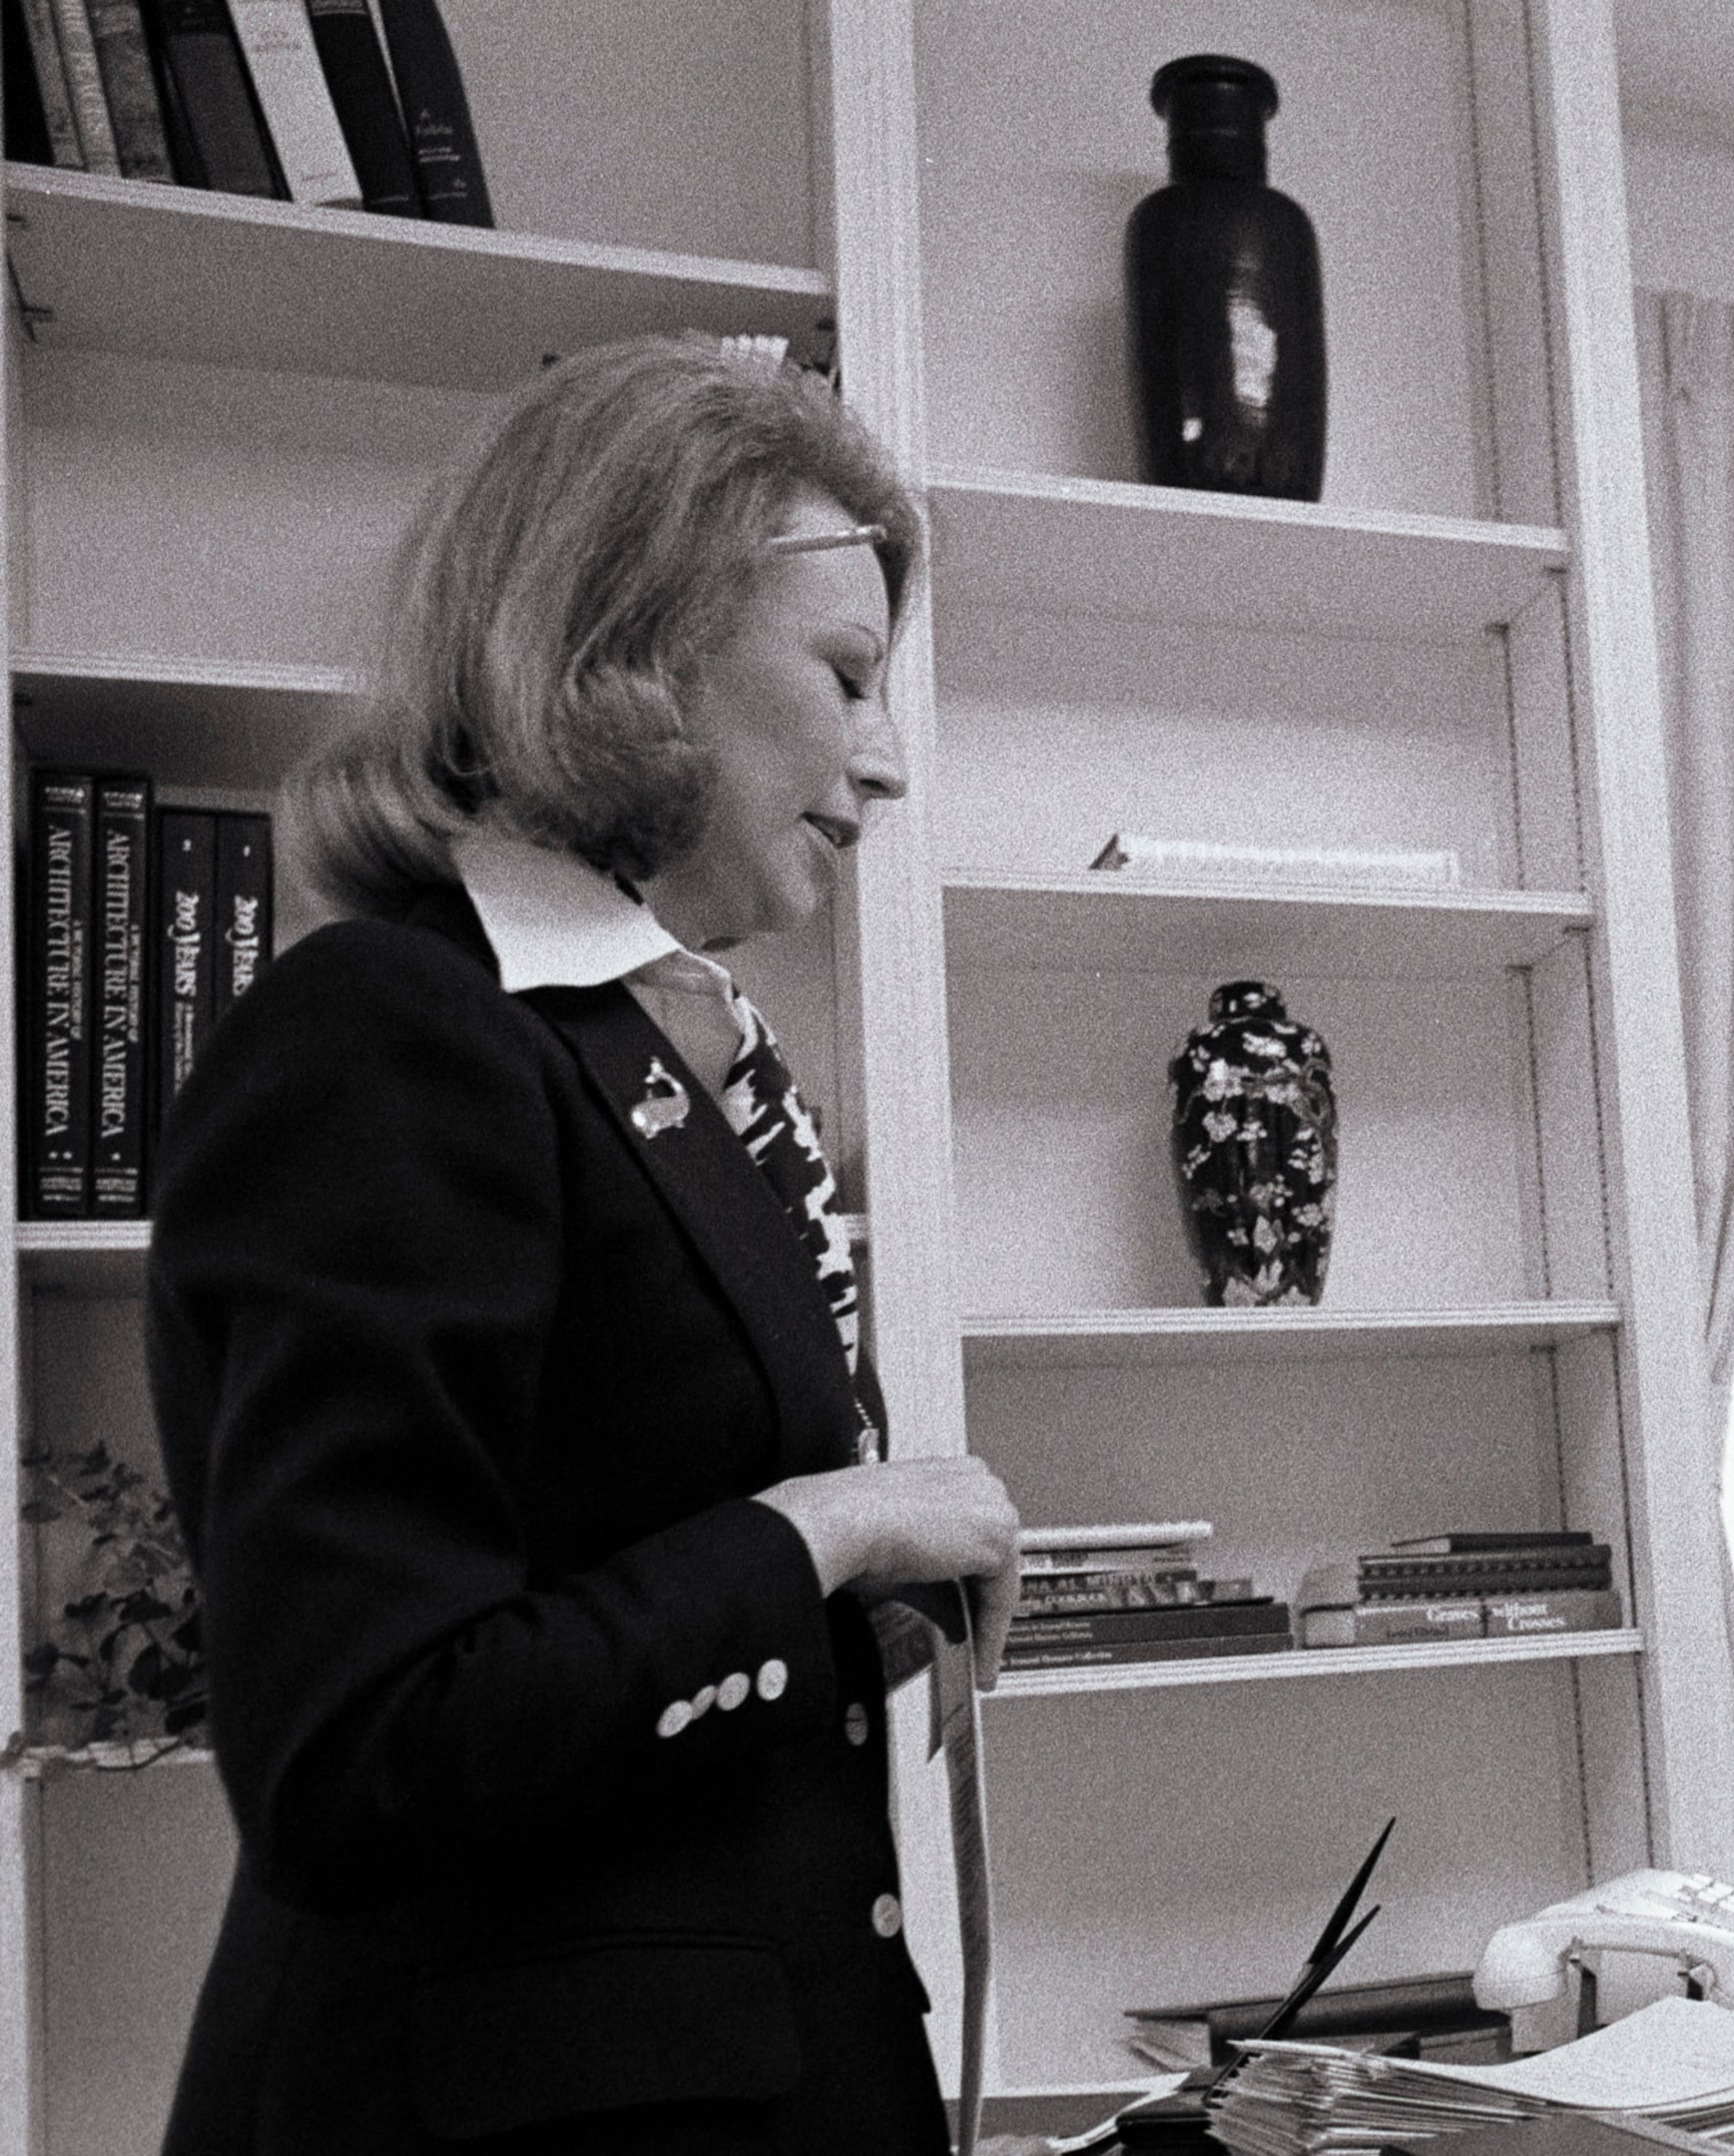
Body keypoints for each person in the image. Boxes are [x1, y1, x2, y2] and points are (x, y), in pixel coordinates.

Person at [146, 334, 1021, 2155]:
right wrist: (832, 1526)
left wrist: (840, 1616)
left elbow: (615, 1630)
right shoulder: (388, 1032)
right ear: (638, 638)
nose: (885, 761)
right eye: (849, 677)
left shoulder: (648, 1053)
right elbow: (360, 1760)